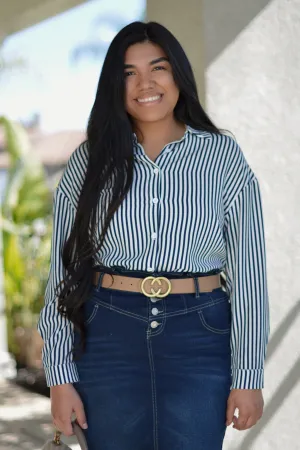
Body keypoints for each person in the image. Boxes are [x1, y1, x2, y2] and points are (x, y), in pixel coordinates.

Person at [37, 20, 270, 450]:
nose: (145, 83)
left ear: (178, 73)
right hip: (107, 333)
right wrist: (60, 376)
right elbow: (63, 275)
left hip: (201, 334)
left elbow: (249, 275)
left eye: (157, 68)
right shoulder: (88, 163)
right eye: (129, 73)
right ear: (114, 85)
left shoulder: (221, 157)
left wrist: (249, 376)